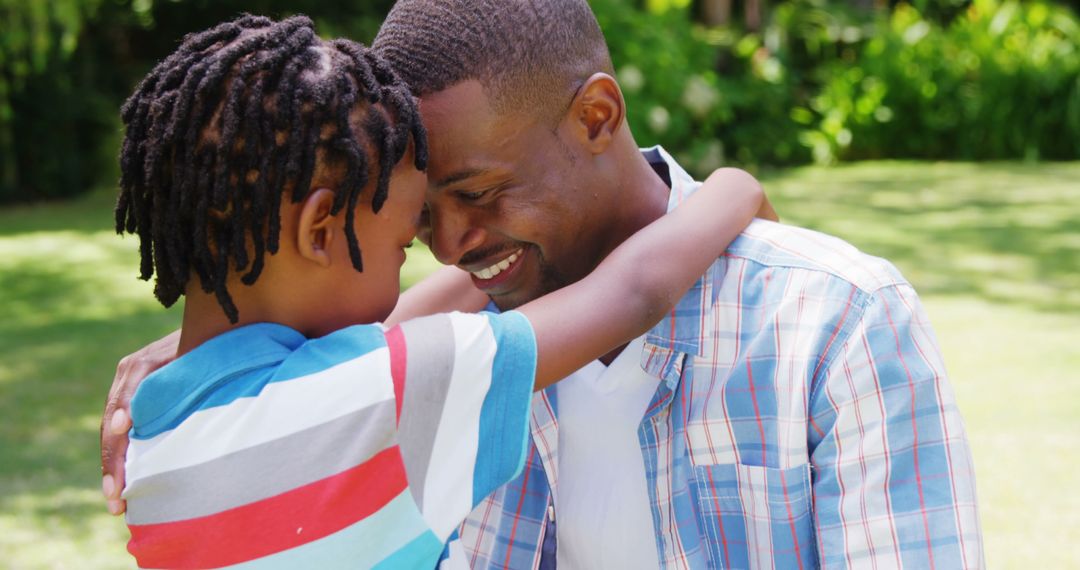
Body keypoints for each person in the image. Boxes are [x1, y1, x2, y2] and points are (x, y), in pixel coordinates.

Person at [103, 1, 984, 568]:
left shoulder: (834, 322)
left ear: (598, 116)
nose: (447, 250)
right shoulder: (418, 380)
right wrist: (735, 189)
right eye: (415, 225)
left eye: (477, 194)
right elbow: (631, 293)